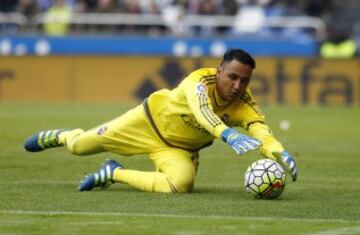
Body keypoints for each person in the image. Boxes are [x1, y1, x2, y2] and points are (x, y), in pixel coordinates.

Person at [24, 48, 297, 193]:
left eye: (244, 80)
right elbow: (202, 111)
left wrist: (276, 149)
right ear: (219, 71)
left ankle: (112, 173)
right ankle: (62, 136)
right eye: (233, 77)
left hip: (179, 149)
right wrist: (226, 133)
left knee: (181, 185)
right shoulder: (199, 81)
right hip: (145, 123)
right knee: (79, 147)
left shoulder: (244, 102)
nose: (238, 85)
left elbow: (258, 127)